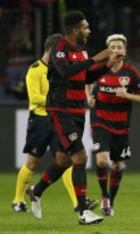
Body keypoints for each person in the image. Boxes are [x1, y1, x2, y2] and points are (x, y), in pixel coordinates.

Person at [27, 11, 121, 225]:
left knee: (63, 160)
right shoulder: (59, 48)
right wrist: (96, 59)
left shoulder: (81, 50)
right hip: (61, 109)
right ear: (75, 29)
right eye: (86, 27)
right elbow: (65, 72)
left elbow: (85, 76)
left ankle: (36, 191)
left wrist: (106, 65)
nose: (89, 31)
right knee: (80, 157)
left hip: (78, 111)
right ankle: (83, 212)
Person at [11, 33, 97, 213]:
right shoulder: (35, 69)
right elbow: (34, 97)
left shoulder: (59, 69)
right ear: (51, 50)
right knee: (33, 163)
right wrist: (57, 100)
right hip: (41, 119)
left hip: (58, 117)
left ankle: (77, 203)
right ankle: (18, 200)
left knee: (65, 159)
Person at [85, 34, 140, 216]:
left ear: (124, 51)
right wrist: (89, 97)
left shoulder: (131, 72)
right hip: (100, 121)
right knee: (102, 160)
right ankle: (104, 196)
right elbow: (86, 81)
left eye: (119, 47)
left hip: (121, 125)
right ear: (107, 51)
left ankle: (111, 200)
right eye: (113, 47)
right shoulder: (99, 69)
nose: (116, 50)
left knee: (118, 166)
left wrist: (127, 95)